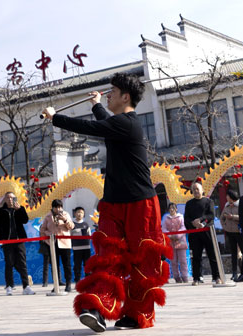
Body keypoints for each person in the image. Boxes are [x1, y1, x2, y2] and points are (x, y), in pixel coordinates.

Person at [45, 73, 166, 332]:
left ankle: (137, 316)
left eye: (112, 91)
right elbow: (107, 125)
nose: (108, 94)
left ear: (126, 97)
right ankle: (96, 308)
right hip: (112, 204)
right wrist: (97, 105)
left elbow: (97, 128)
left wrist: (56, 118)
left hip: (140, 204)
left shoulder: (130, 123)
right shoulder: (120, 125)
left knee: (141, 263)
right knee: (107, 257)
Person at [0, 192, 35, 296]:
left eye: (12, 198)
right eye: (8, 198)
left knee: (22, 263)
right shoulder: (1, 211)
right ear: (5, 199)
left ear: (15, 199)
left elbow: (25, 220)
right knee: (9, 263)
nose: (10, 200)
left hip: (19, 241)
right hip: (8, 241)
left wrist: (20, 210)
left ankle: (26, 286)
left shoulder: (19, 209)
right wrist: (2, 239)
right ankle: (9, 286)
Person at [184, 182, 220, 285]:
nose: (195, 191)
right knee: (196, 256)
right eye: (194, 189)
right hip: (195, 233)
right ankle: (197, 277)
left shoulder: (209, 201)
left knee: (212, 255)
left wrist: (202, 222)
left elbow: (211, 216)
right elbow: (186, 218)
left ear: (202, 190)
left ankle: (216, 276)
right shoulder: (189, 203)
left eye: (197, 189)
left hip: (207, 232)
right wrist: (194, 224)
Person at [39, 199, 74, 292]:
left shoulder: (66, 214)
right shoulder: (47, 216)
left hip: (65, 243)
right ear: (53, 208)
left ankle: (68, 284)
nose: (58, 209)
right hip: (53, 243)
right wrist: (49, 235)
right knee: (55, 265)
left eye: (60, 207)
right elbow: (42, 231)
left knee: (67, 264)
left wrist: (65, 220)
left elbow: (71, 227)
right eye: (56, 207)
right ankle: (56, 284)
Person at [220, 191, 243, 280]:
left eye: (227, 195)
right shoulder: (226, 205)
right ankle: (234, 273)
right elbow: (222, 218)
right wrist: (225, 226)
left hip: (239, 232)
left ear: (231, 196)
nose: (226, 197)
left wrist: (233, 217)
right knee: (233, 253)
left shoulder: (240, 205)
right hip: (230, 232)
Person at [162, 204, 188, 283]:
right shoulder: (165, 218)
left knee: (183, 260)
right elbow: (164, 229)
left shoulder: (181, 217)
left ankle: (184, 276)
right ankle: (176, 276)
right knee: (173, 261)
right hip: (170, 242)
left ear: (176, 209)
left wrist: (177, 235)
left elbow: (183, 227)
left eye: (173, 208)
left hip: (181, 241)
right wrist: (170, 236)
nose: (172, 210)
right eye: (170, 208)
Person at [70, 207, 92, 284]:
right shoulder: (72, 225)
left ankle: (89, 281)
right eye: (78, 212)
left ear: (84, 214)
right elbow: (70, 236)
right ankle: (77, 281)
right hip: (76, 248)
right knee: (77, 265)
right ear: (75, 213)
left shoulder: (86, 224)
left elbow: (89, 235)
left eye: (81, 212)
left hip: (86, 248)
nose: (79, 214)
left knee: (87, 265)